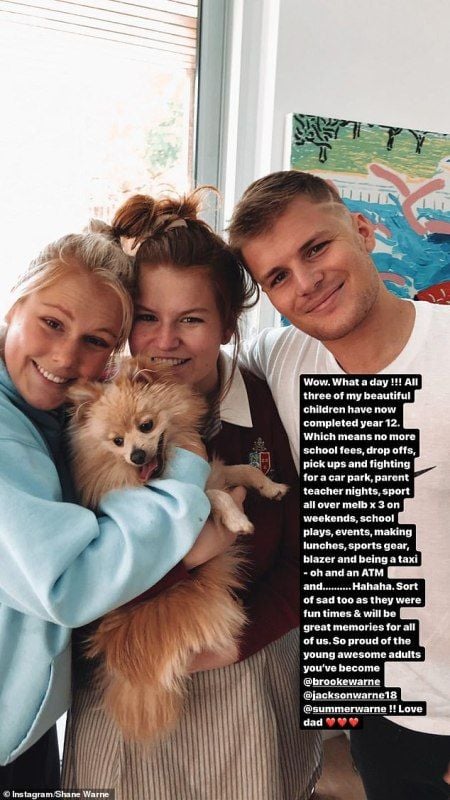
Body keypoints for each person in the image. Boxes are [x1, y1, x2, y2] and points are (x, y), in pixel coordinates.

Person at [62, 190, 322, 800]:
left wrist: (239, 643)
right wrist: (187, 557)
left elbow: (315, 556)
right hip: (131, 671)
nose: (165, 341)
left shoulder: (274, 405)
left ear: (228, 325)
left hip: (246, 677)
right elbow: (68, 576)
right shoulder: (89, 415)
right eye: (147, 317)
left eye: (191, 320)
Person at [228, 170, 450, 800]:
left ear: (362, 231)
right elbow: (182, 356)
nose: (306, 283)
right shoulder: (279, 360)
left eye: (316, 248)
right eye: (277, 277)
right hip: (375, 703)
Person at [0, 220, 238, 790]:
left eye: (96, 340)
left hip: (29, 721)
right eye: (52, 323)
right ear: (13, 305)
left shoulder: (49, 410)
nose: (65, 356)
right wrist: (184, 482)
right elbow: (69, 585)